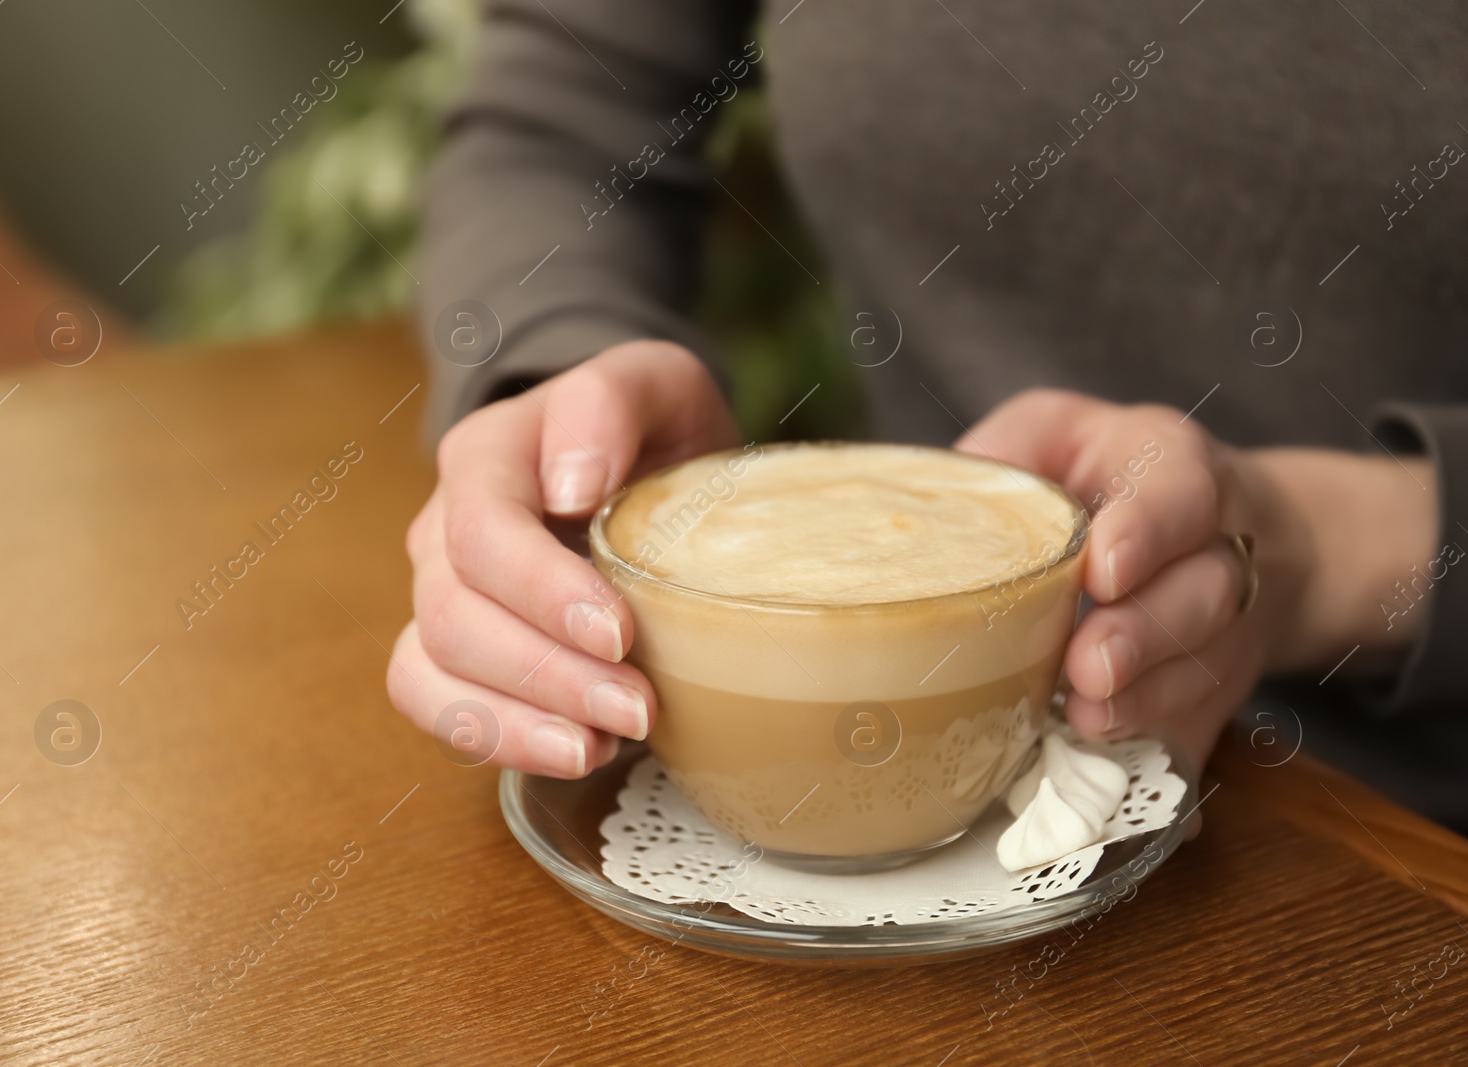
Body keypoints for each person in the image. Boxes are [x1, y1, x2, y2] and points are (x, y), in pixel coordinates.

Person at [388, 1, 1468, 832]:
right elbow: (555, 129)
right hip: (838, 758)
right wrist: (559, 394)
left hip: (1396, 839)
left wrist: (1321, 550)